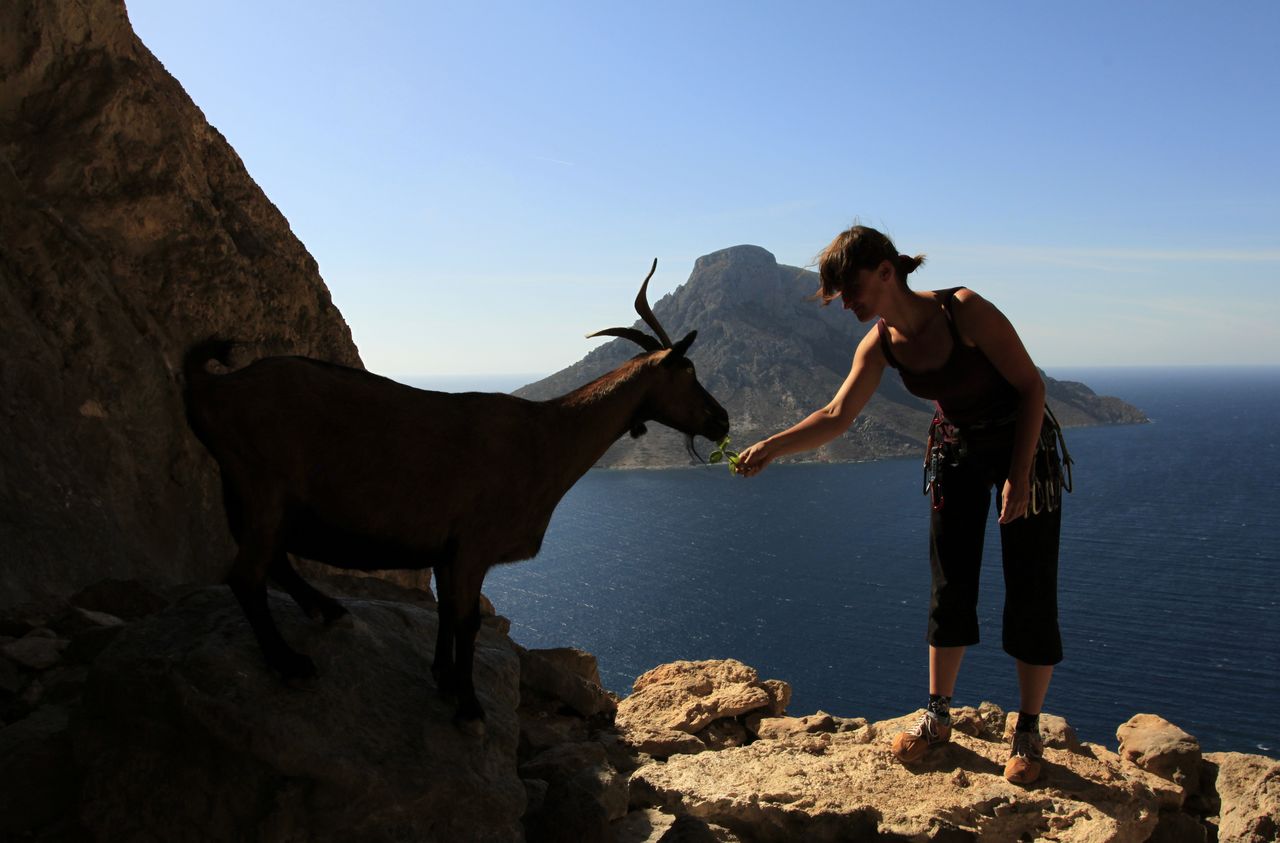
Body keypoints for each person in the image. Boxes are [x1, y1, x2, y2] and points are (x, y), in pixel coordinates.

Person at [736, 223, 1071, 785]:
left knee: (1031, 586)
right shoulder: (881, 343)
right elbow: (837, 414)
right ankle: (938, 717)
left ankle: (1028, 733)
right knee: (950, 584)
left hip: (1023, 447)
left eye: (852, 289)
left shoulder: (965, 311)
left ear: (887, 272)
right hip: (958, 449)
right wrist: (772, 447)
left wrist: (1017, 475)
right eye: (839, 294)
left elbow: (1032, 387)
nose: (846, 303)